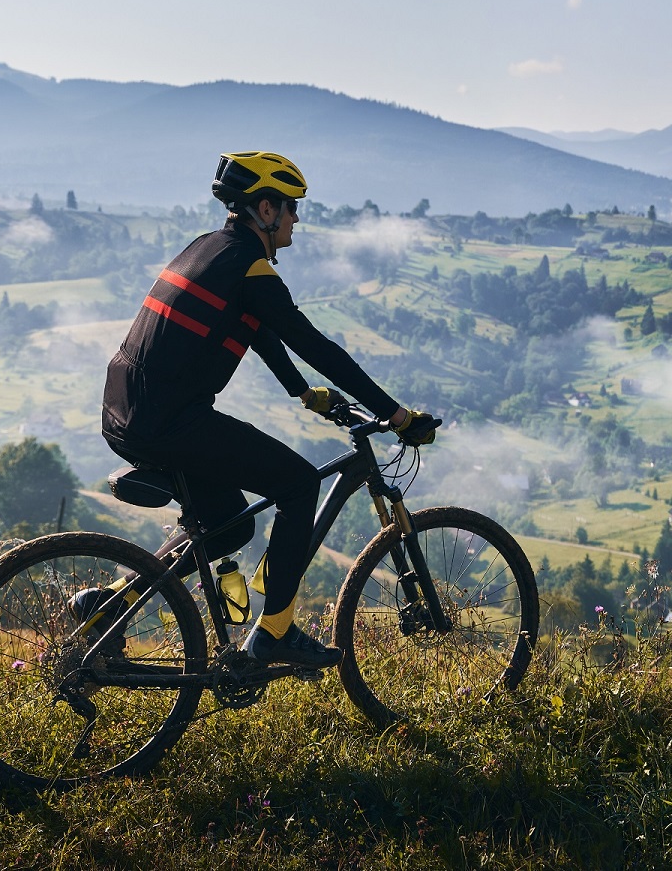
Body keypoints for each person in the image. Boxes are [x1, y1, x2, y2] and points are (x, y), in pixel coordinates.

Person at [101, 151, 430, 668]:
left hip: (126, 408)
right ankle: (273, 633)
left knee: (230, 525)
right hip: (168, 418)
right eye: (292, 208)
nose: (297, 219)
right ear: (266, 209)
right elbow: (314, 344)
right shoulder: (249, 267)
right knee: (298, 484)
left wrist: (304, 393)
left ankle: (108, 604)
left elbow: (258, 330)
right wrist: (396, 415)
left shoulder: (209, 249)